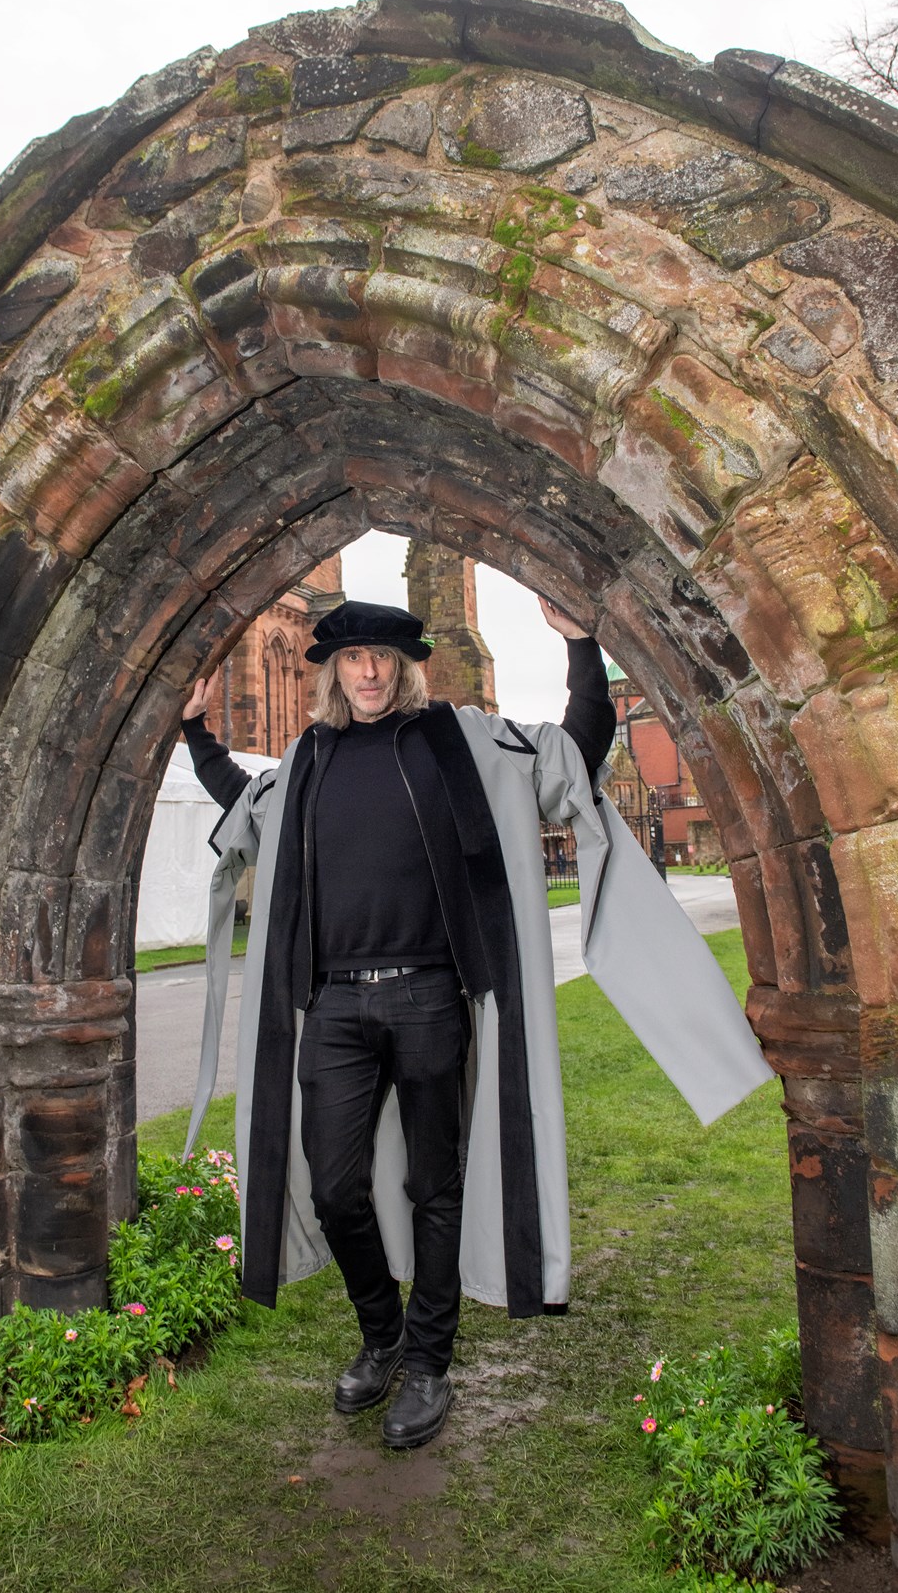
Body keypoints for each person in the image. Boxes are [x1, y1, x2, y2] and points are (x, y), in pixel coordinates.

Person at [180, 596, 772, 1450]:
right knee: (332, 1184)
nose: (370, 671)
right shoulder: (307, 760)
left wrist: (579, 644)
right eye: (354, 659)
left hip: (428, 1001)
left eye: (383, 656)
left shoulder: (461, 742)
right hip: (337, 1007)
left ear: (405, 664)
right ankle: (380, 1331)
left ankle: (426, 1363)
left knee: (435, 1185)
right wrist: (198, 733)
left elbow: (576, 748)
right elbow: (244, 805)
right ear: (333, 673)